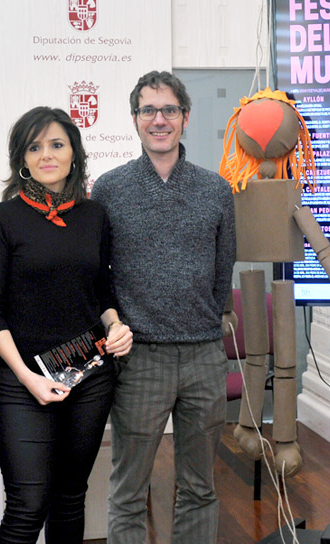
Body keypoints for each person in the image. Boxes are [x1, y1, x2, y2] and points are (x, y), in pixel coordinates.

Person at [0, 106, 133, 544]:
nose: (47, 155)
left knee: (70, 499)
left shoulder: (95, 215)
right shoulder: (2, 218)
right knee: (27, 508)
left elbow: (102, 293)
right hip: (21, 381)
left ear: (74, 153)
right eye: (35, 146)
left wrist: (116, 326)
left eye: (57, 144)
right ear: (21, 158)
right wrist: (28, 378)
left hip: (89, 375)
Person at [93, 70, 236, 544]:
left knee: (199, 488)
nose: (159, 119)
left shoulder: (215, 189)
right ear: (135, 120)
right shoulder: (109, 189)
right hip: (140, 360)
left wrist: (205, 325)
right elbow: (99, 277)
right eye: (149, 110)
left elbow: (223, 271)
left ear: (185, 118)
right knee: (129, 490)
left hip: (203, 357)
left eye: (169, 110)